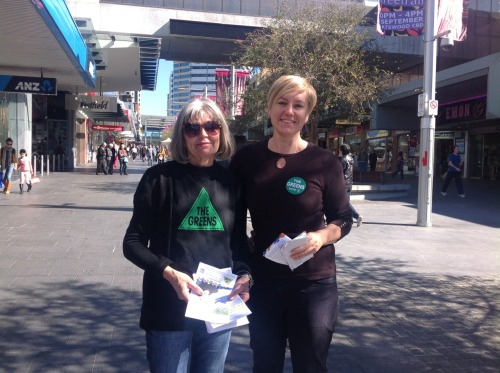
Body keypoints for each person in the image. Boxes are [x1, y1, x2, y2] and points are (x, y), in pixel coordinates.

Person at [229, 75, 353, 373]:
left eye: (298, 105)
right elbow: (232, 224)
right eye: (282, 103)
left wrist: (322, 237)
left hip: (314, 284)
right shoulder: (247, 159)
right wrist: (243, 268)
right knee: (265, 364)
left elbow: (343, 219)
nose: (289, 111)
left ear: (307, 114)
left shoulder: (325, 162)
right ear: (270, 107)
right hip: (264, 282)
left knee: (310, 365)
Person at [123, 98, 252, 373]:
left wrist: (245, 275)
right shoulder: (158, 179)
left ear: (222, 131)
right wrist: (169, 272)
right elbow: (132, 244)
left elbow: (238, 245)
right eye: (192, 129)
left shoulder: (232, 182)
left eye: (211, 126)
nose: (203, 134)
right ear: (182, 135)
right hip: (169, 307)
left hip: (218, 307)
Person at [339, 143, 363, 227]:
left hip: (343, 183)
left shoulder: (343, 160)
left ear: (342, 150)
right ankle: (349, 218)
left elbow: (340, 172)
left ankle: (357, 216)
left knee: (344, 202)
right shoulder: (350, 159)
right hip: (349, 183)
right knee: (346, 202)